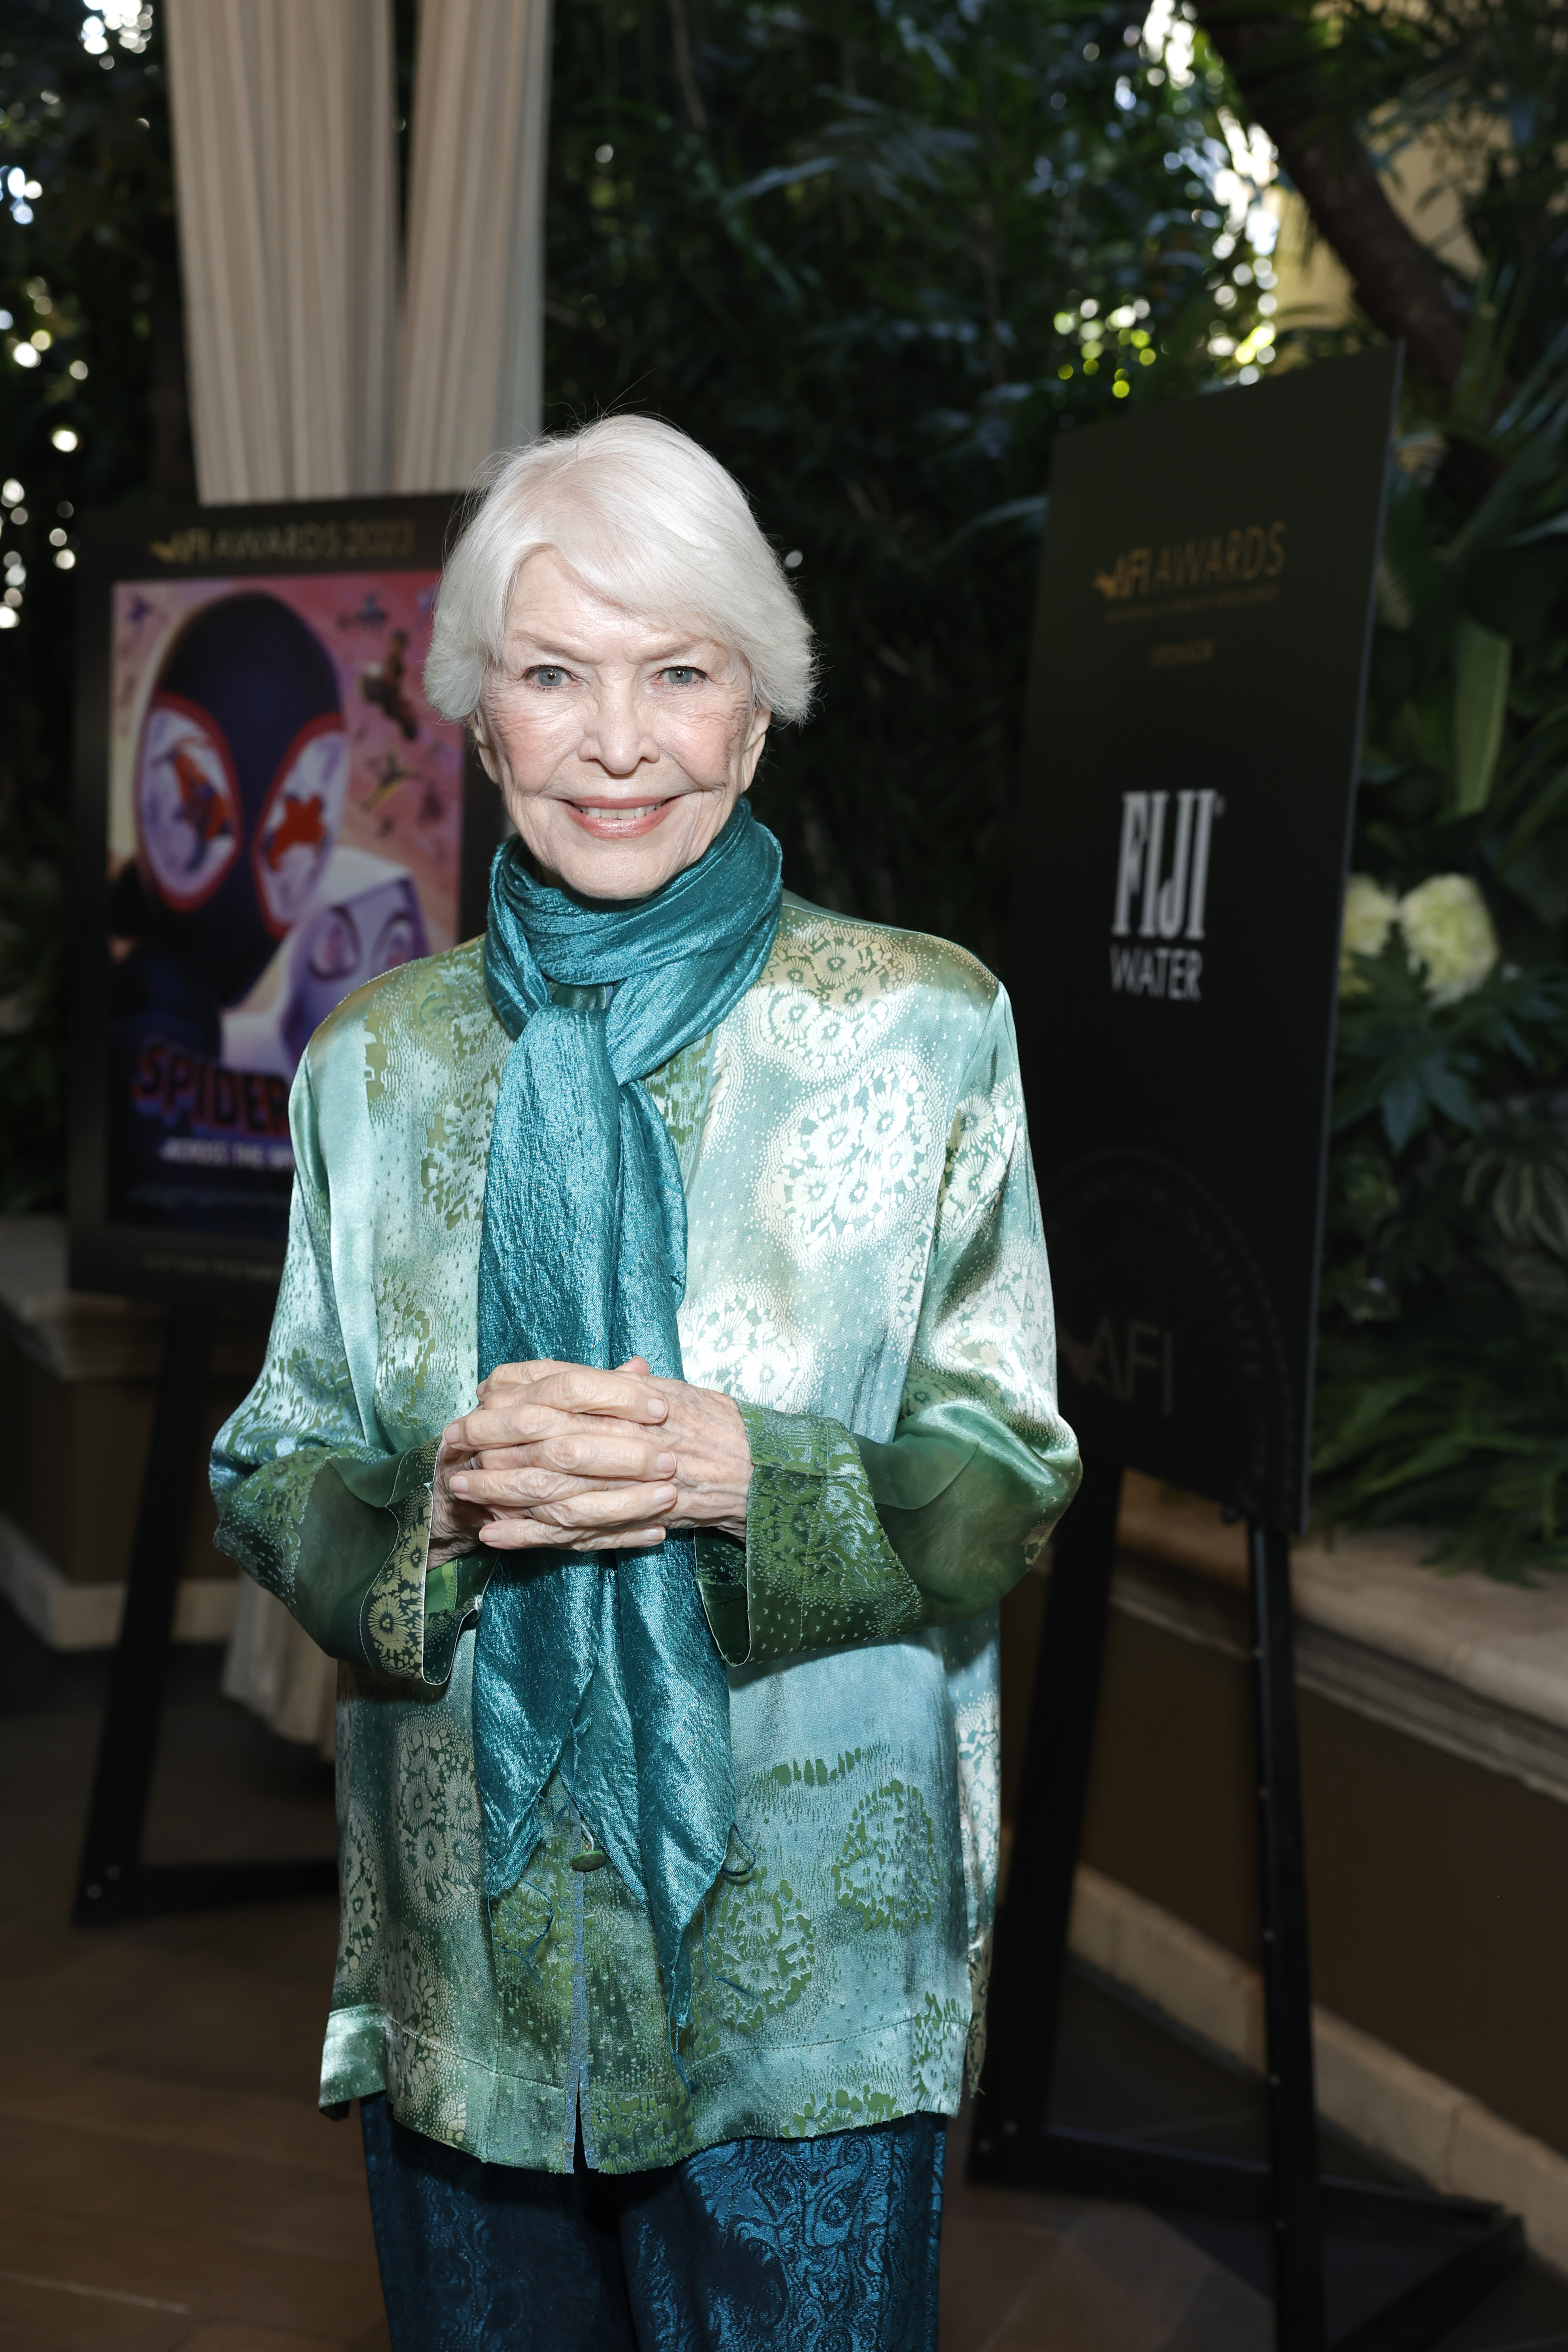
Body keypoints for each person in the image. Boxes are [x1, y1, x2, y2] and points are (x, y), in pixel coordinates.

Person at [211, 414, 1080, 2351]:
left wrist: (734, 1470)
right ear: (477, 717)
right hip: (473, 1969)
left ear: (754, 716)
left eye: (677, 673)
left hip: (809, 1976)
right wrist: (430, 1509)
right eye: (553, 674)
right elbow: (275, 1456)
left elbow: (1005, 1466)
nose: (617, 740)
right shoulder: (374, 1064)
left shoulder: (921, 1030)